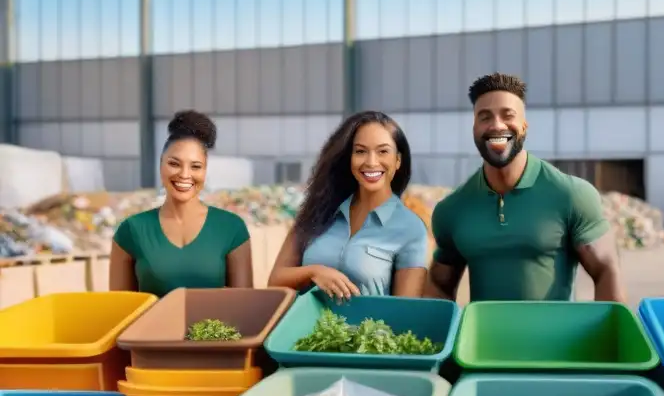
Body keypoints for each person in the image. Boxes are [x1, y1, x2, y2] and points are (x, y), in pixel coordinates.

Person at [424, 73, 626, 303]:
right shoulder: (453, 209)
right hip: (487, 339)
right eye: (485, 117)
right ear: (474, 128)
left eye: (507, 115)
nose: (497, 125)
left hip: (557, 339)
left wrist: (606, 337)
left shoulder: (570, 195)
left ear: (524, 126)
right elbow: (439, 284)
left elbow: (606, 270)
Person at [268, 111, 427, 299]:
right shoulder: (318, 211)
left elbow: (406, 311)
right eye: (360, 151)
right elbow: (275, 281)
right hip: (305, 328)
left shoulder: (411, 229)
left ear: (398, 160)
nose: (371, 162)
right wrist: (314, 272)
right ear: (348, 158)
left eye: (383, 151)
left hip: (369, 328)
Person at [110, 110, 253, 296]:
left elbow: (246, 305)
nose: (185, 175)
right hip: (153, 326)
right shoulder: (132, 230)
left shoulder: (231, 228)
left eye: (195, 166)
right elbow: (121, 310)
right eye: (174, 164)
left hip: (213, 326)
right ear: (161, 164)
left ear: (205, 171)